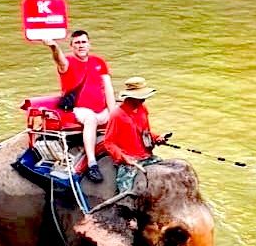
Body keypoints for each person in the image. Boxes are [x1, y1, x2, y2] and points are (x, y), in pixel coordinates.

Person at [45, 29, 116, 183]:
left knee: (122, 114)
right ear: (72, 47)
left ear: (89, 44)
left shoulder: (99, 62)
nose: (81, 45)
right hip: (80, 110)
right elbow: (59, 60)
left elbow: (108, 88)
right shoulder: (68, 62)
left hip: (101, 110)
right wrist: (54, 47)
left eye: (83, 42)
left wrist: (114, 113)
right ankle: (92, 163)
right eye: (77, 43)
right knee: (90, 119)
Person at [101, 77, 171, 185]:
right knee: (127, 189)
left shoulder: (143, 109)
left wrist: (157, 138)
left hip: (147, 156)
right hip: (130, 160)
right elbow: (108, 142)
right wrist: (124, 158)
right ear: (131, 97)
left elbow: (145, 133)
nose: (143, 100)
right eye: (141, 97)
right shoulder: (117, 115)